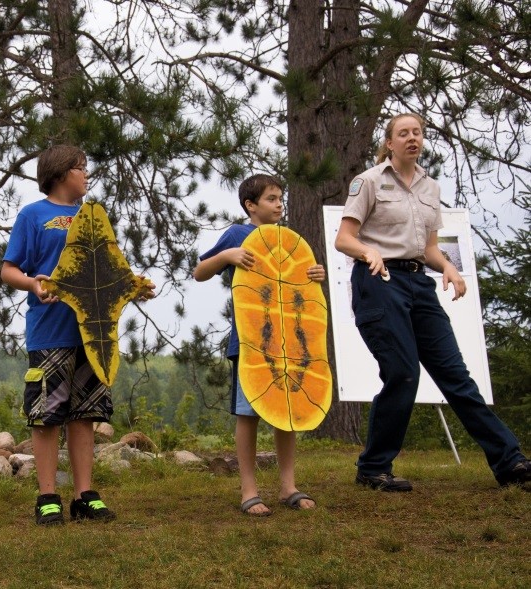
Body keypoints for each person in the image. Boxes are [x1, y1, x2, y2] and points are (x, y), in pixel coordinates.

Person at [334, 112, 530, 492]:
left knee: (455, 376)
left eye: (417, 132)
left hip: (419, 284)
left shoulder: (431, 188)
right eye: (403, 133)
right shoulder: (369, 182)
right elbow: (344, 239)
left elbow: (429, 249)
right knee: (403, 373)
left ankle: (511, 463)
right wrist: (368, 252)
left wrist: (449, 270)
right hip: (379, 282)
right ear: (389, 143)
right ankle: (373, 468)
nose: (412, 138)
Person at [1, 144, 154, 525]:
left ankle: (85, 495)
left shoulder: (93, 217)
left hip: (94, 336)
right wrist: (33, 285)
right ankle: (48, 496)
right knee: (47, 416)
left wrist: (133, 286)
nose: (86, 174)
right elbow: (9, 270)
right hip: (49, 333)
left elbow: (108, 269)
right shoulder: (33, 215)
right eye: (81, 168)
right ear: (60, 172)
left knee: (85, 414)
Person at [194, 174, 326, 516]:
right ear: (251, 205)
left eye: (281, 197)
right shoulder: (238, 235)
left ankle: (288, 487)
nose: (279, 203)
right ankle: (249, 490)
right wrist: (227, 256)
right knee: (248, 415)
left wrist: (316, 274)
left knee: (287, 414)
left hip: (291, 346)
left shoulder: (289, 239)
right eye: (271, 198)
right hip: (252, 345)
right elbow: (199, 271)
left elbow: (303, 284)